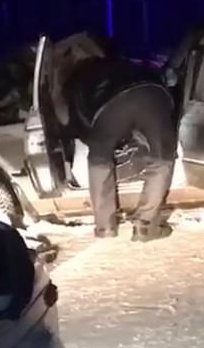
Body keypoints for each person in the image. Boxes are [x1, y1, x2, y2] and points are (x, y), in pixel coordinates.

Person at [62, 52, 178, 241]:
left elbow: (80, 123)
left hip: (110, 104)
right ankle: (145, 227)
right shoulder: (122, 62)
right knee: (162, 159)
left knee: (99, 161)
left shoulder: (76, 83)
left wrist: (98, 144)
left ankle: (105, 227)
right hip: (150, 93)